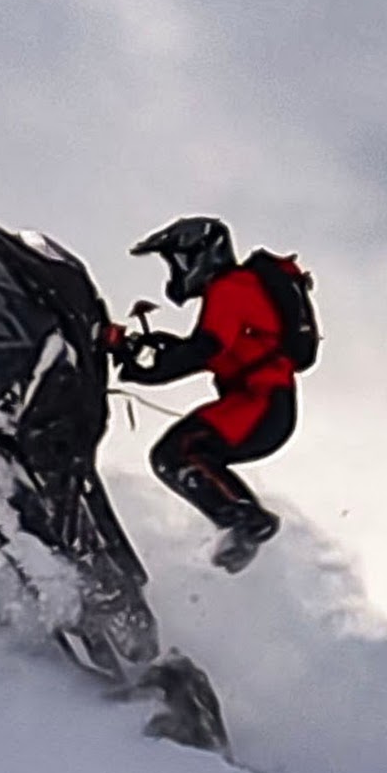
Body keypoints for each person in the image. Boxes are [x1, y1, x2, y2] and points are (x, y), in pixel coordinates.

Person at [116, 216, 305, 573]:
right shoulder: (237, 290)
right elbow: (209, 350)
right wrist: (144, 354)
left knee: (176, 453)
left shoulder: (231, 287)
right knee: (190, 452)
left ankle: (247, 521)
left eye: (177, 260)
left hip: (260, 402)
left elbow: (204, 349)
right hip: (260, 402)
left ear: (201, 254)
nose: (175, 270)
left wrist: (146, 368)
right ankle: (241, 528)